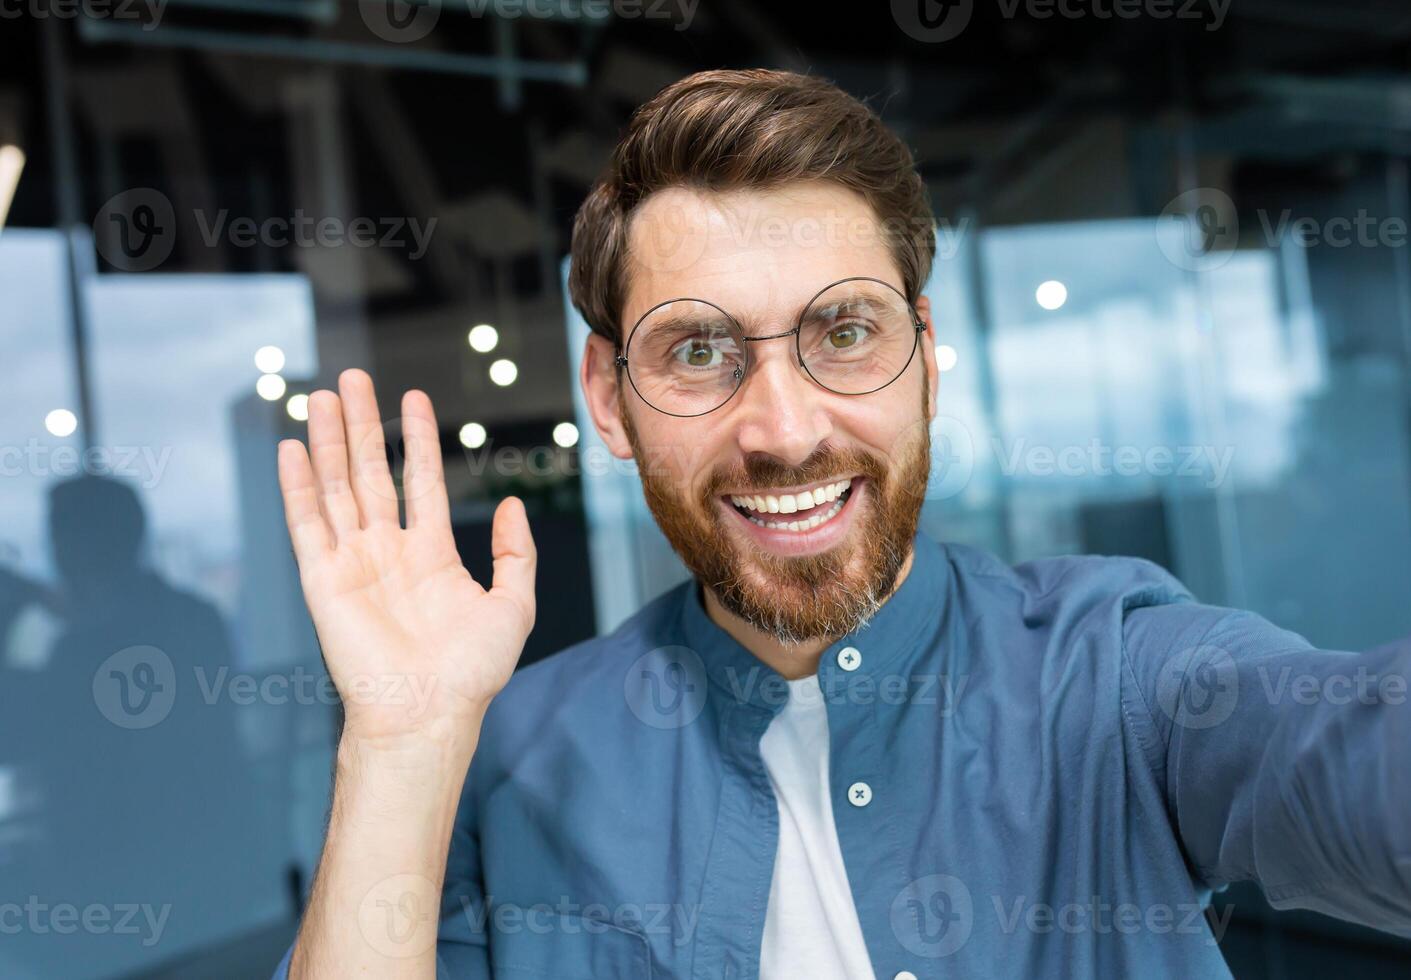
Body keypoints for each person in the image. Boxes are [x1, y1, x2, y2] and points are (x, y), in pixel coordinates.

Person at [271, 70, 1410, 979]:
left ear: (922, 354)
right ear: (611, 398)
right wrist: (403, 745)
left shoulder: (1119, 670)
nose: (781, 427)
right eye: (699, 350)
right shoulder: (502, 767)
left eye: (845, 330)